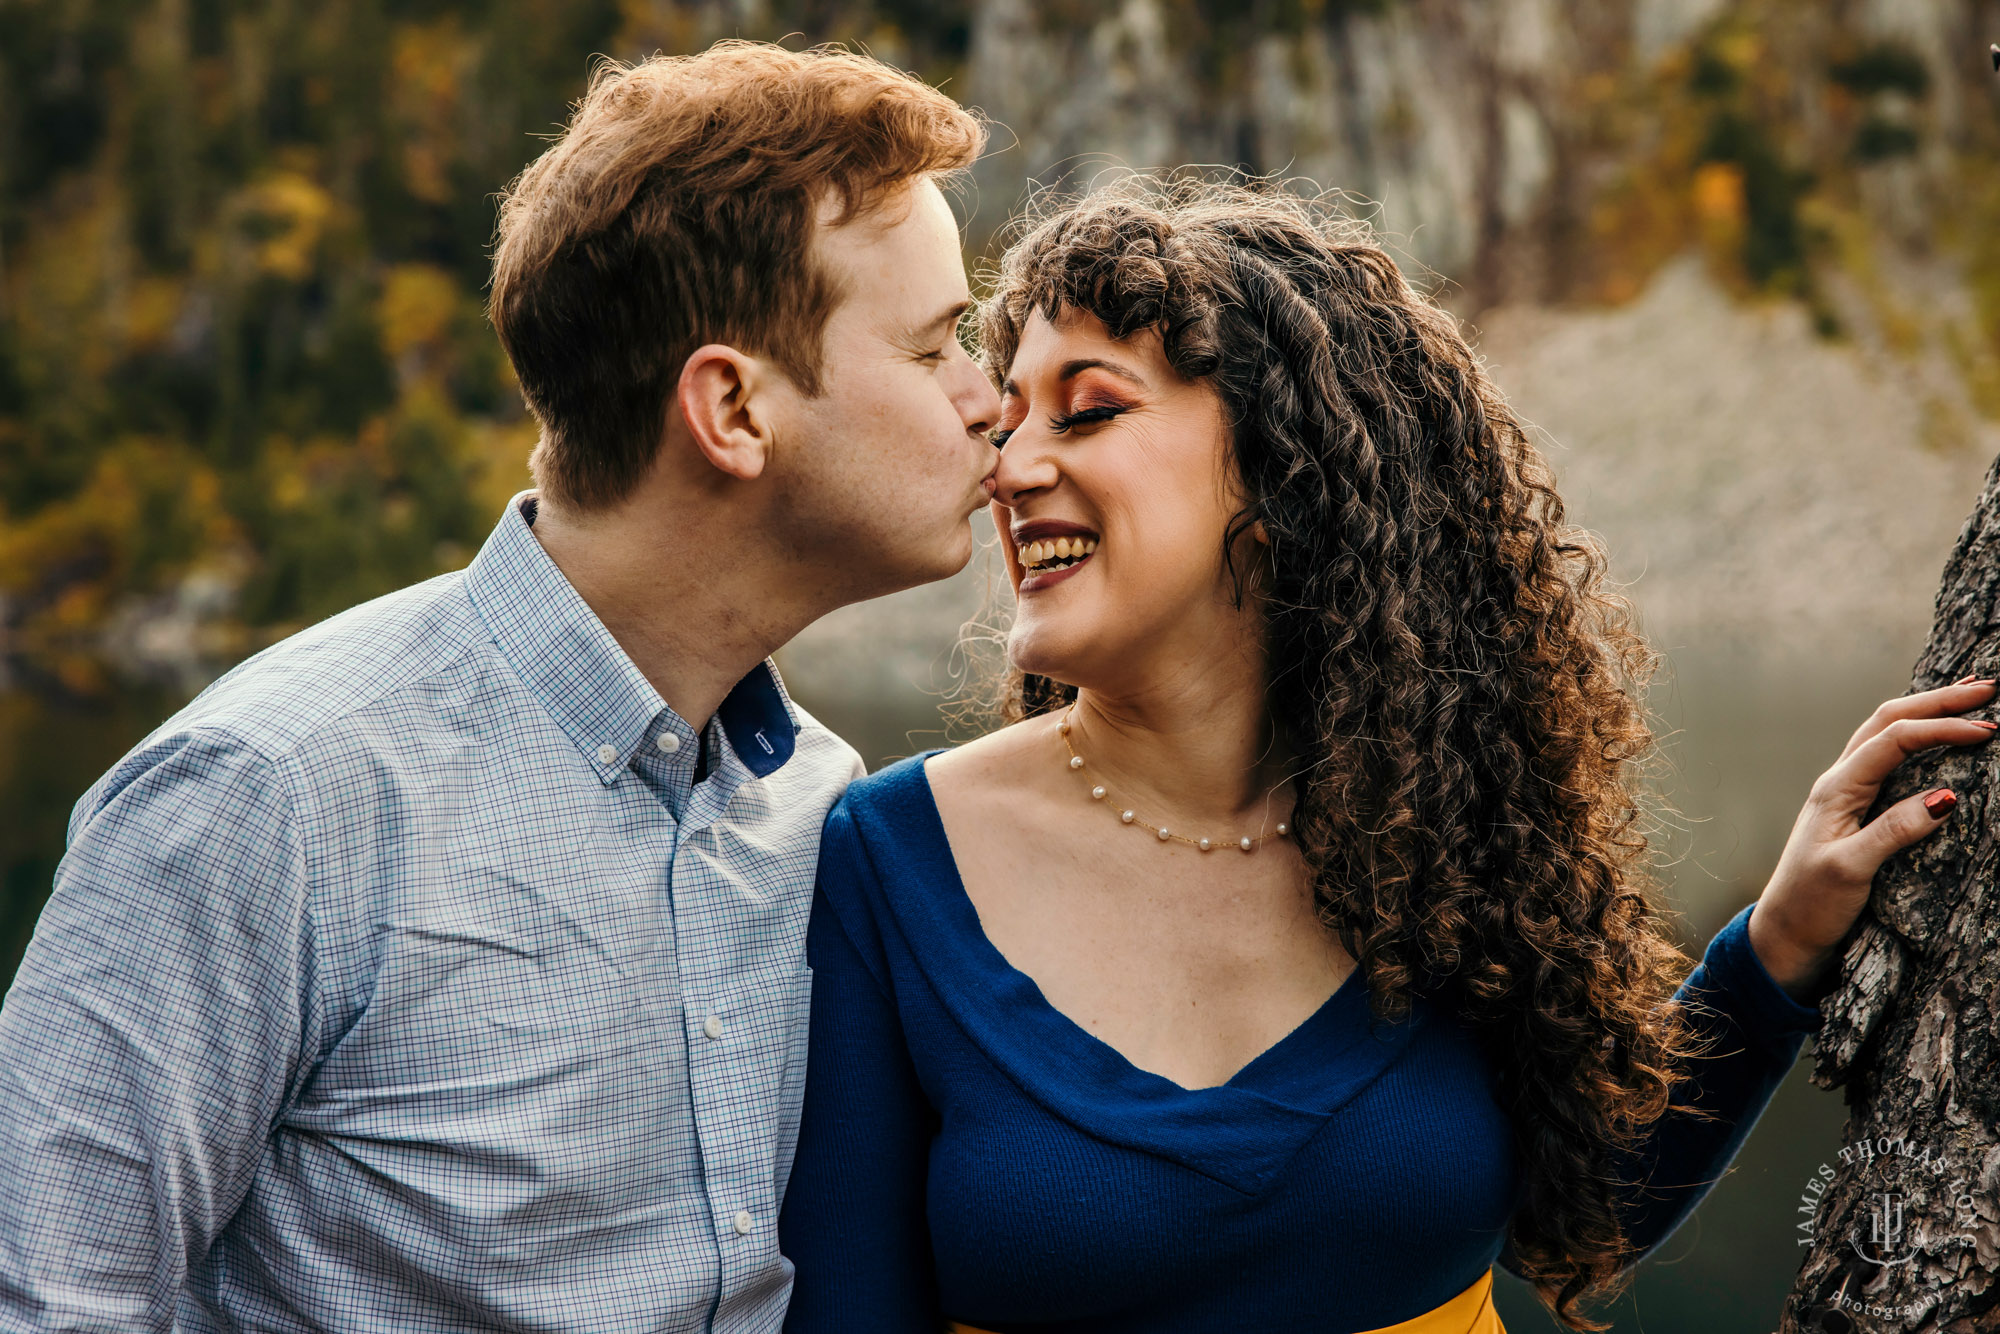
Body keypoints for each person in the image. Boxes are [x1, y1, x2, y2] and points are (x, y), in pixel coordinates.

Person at [775, 176, 1998, 1332]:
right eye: (1010, 415)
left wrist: (1775, 945)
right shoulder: (881, 866)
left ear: (1278, 466)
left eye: (1087, 410)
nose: (1012, 467)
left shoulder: (1441, 826)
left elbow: (1574, 1214)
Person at [0, 42, 1001, 1333]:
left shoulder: (817, 802)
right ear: (734, 410)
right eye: (936, 348)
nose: (991, 400)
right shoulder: (271, 795)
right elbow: (45, 1298)